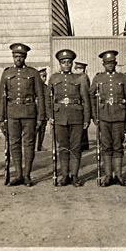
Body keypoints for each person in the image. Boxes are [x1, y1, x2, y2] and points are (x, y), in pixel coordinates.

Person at [0, 43, 45, 187]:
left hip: (29, 112)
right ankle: (18, 174)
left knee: (29, 144)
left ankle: (27, 175)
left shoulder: (33, 73)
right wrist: (1, 117)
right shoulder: (7, 73)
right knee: (14, 143)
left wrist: (40, 117)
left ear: (25, 57)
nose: (18, 59)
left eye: (21, 57)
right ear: (13, 57)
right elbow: (2, 97)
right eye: (16, 56)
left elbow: (40, 96)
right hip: (12, 113)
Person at [90, 50, 126, 187]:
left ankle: (119, 175)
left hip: (119, 116)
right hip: (104, 117)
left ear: (115, 63)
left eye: (112, 63)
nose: (110, 65)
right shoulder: (98, 79)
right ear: (103, 64)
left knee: (118, 146)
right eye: (107, 63)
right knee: (106, 147)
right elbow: (91, 96)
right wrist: (94, 115)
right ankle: (108, 176)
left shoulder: (122, 78)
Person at [47, 50, 91, 187]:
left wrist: (86, 119)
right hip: (59, 116)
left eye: (68, 62)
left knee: (76, 147)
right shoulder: (53, 78)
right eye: (63, 62)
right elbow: (49, 99)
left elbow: (85, 99)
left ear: (72, 63)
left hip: (76, 116)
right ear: (59, 64)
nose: (66, 65)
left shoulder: (80, 79)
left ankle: (75, 176)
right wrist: (50, 116)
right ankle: (65, 176)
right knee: (63, 147)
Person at [73, 61, 91, 151]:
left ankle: (83, 144)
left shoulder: (83, 78)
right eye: (77, 69)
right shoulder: (78, 77)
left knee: (83, 125)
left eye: (80, 69)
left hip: (82, 103)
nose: (78, 71)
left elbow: (86, 92)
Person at [36, 68, 49, 152]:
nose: (44, 78)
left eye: (45, 76)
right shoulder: (35, 87)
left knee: (42, 129)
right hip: (36, 111)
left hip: (44, 111)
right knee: (35, 129)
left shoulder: (46, 87)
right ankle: (32, 146)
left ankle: (40, 145)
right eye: (43, 76)